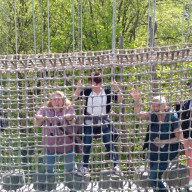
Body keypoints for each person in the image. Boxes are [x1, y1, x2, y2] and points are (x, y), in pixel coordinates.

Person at [130, 88, 183, 192]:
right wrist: (136, 101)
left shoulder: (172, 118)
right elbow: (138, 114)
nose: (155, 108)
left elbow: (179, 137)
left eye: (157, 106)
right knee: (154, 178)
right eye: (153, 106)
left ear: (164, 106)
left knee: (153, 177)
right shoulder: (153, 115)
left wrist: (163, 142)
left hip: (166, 153)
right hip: (153, 151)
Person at [74, 71, 123, 174]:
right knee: (87, 144)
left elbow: (120, 98)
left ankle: (115, 165)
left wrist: (117, 88)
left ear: (97, 83)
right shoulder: (88, 91)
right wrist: (78, 87)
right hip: (89, 121)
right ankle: (84, 166)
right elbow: (75, 97)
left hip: (103, 122)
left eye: (90, 82)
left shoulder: (107, 91)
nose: (88, 84)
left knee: (109, 143)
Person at [35, 91, 81, 173]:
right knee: (47, 171)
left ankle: (73, 184)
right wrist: (40, 119)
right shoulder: (45, 110)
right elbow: (36, 123)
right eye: (54, 99)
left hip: (67, 145)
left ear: (63, 100)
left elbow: (73, 121)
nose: (56, 102)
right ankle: (49, 184)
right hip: (49, 146)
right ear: (51, 101)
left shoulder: (68, 109)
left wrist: (70, 118)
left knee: (71, 171)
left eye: (59, 99)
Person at [175, 86, 192, 186]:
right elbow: (179, 115)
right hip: (187, 134)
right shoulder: (186, 103)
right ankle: (191, 179)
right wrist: (178, 105)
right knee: (189, 157)